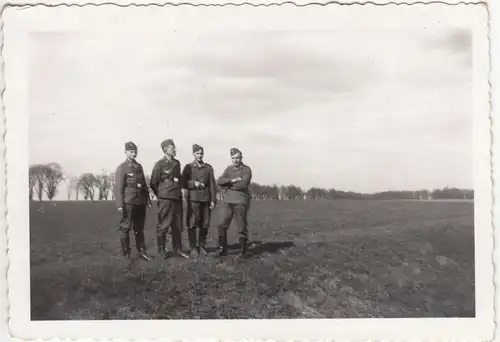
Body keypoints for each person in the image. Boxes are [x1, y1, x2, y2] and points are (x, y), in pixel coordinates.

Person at [150, 139, 190, 259]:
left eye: (174, 147)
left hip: (176, 197)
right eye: (172, 148)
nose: (174, 150)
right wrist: (161, 194)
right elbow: (153, 182)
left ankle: (177, 249)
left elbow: (179, 179)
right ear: (165, 149)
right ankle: (162, 249)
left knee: (177, 225)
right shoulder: (159, 164)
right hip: (165, 199)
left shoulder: (177, 163)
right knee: (164, 225)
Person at [114, 141, 152, 261]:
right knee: (125, 227)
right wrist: (120, 204)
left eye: (135, 151)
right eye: (131, 151)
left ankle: (142, 252)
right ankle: (127, 254)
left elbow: (144, 185)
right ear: (125, 152)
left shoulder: (139, 166)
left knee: (139, 228)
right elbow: (119, 187)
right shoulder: (122, 168)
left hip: (140, 201)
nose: (133, 153)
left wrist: (148, 199)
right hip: (129, 201)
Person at [216, 147, 252, 258]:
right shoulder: (229, 169)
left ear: (241, 158)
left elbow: (243, 184)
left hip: (240, 200)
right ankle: (223, 249)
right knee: (221, 225)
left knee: (241, 226)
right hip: (228, 201)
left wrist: (229, 184)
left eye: (237, 158)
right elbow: (220, 181)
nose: (235, 160)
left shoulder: (246, 169)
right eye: (233, 158)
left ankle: (243, 251)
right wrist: (232, 180)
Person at [182, 144, 217, 258]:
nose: (199, 155)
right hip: (193, 199)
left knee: (205, 223)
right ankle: (193, 247)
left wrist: (213, 200)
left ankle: (202, 246)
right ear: (193, 154)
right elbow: (183, 183)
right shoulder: (188, 167)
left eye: (201, 153)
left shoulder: (208, 168)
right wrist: (193, 183)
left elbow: (212, 184)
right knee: (192, 223)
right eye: (197, 153)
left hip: (206, 199)